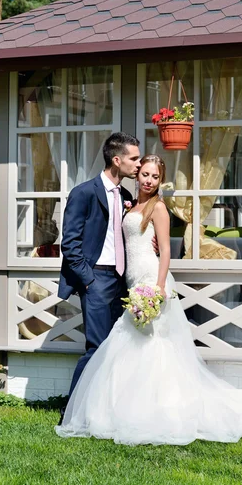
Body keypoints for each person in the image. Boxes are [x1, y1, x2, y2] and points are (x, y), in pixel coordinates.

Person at [56, 155, 242, 445]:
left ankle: (158, 410)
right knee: (128, 345)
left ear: (160, 181)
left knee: (151, 344)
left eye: (155, 176)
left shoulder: (158, 208)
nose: (149, 180)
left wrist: (158, 288)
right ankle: (125, 407)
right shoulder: (129, 203)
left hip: (151, 280)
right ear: (137, 177)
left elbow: (165, 250)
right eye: (145, 174)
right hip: (130, 279)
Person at [57, 132, 141, 423]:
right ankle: (71, 413)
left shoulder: (127, 196)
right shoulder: (84, 192)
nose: (138, 164)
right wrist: (88, 280)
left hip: (121, 280)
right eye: (134, 158)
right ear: (117, 160)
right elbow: (69, 243)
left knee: (119, 347)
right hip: (97, 278)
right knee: (97, 347)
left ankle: (106, 409)